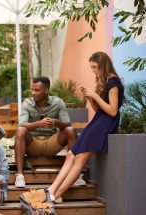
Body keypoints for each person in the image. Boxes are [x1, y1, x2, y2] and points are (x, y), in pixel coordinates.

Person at [47, 51, 124, 203]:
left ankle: (57, 194)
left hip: (106, 123)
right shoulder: (103, 81)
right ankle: (51, 189)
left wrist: (95, 96)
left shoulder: (113, 83)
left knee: (81, 158)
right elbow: (99, 110)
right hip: (98, 120)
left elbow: (113, 111)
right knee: (71, 154)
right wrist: (90, 97)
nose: (94, 71)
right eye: (92, 68)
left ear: (103, 65)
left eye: (95, 67)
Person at [14, 76, 78, 188]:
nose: (33, 93)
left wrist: (56, 122)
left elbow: (67, 124)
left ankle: (74, 173)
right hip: (33, 144)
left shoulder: (58, 103)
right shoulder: (27, 103)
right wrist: (39, 124)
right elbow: (22, 124)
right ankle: (19, 175)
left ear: (46, 90)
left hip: (51, 143)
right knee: (20, 131)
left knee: (71, 130)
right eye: (32, 90)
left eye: (37, 90)